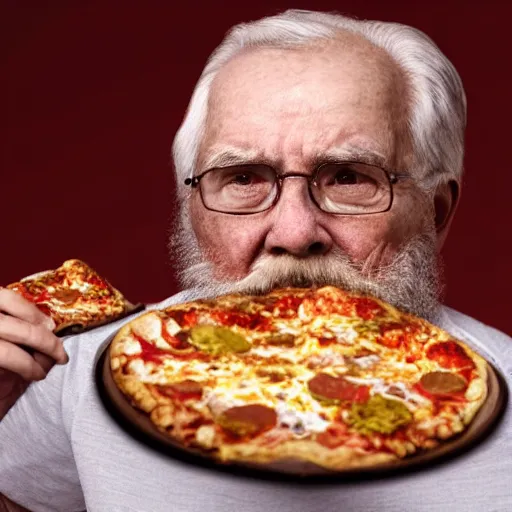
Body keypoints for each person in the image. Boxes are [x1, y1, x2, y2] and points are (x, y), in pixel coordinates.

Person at [1, 9, 511, 512]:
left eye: (349, 178)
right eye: (244, 178)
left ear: (436, 213)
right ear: (192, 209)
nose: (293, 234)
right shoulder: (82, 367)